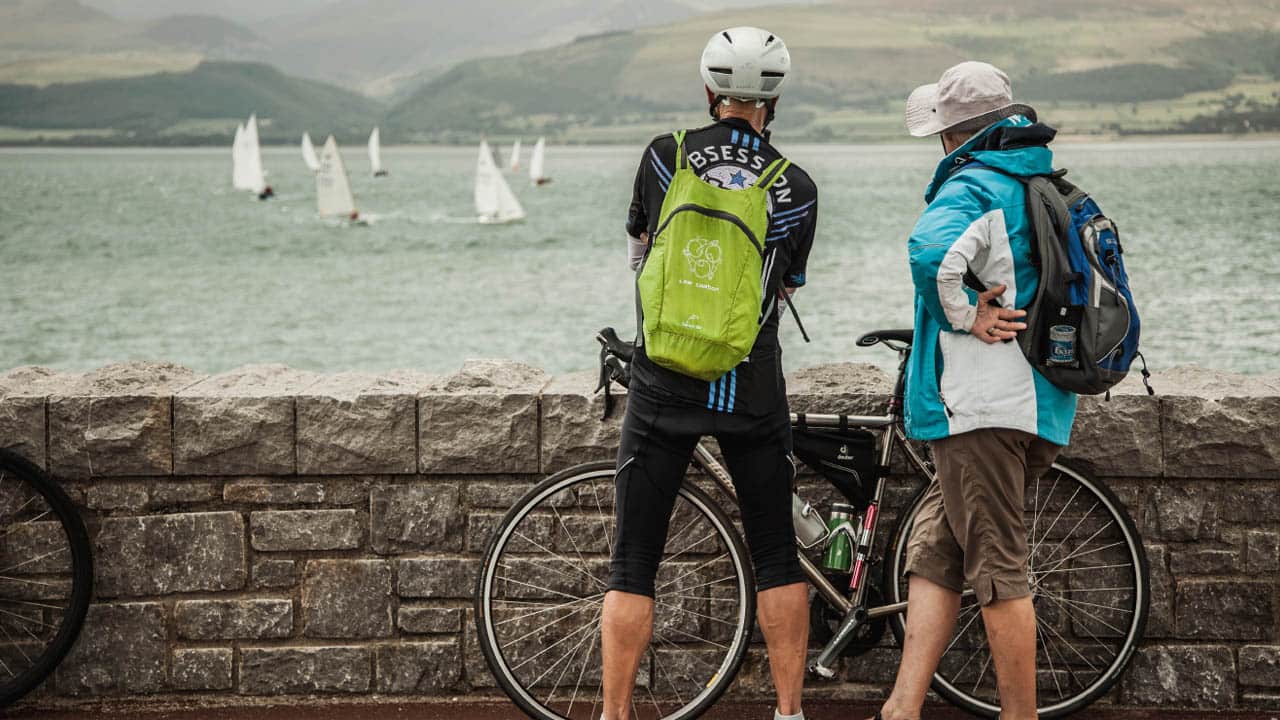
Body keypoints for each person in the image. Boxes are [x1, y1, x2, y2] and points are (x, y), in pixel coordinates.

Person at [605, 26, 818, 720]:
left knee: (633, 563)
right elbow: (784, 288)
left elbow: (641, 252)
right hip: (749, 386)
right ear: (774, 98)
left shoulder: (664, 156)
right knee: (777, 556)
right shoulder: (796, 186)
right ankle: (789, 712)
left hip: (663, 381)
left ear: (708, 91)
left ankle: (613, 714)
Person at [871, 61, 1078, 720]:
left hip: (982, 410)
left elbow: (928, 252)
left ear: (950, 134)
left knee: (997, 573)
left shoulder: (972, 185)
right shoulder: (1034, 178)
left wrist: (966, 313)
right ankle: (901, 709)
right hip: (1037, 400)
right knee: (937, 551)